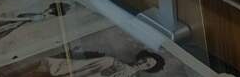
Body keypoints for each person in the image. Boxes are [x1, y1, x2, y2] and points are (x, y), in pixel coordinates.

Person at [37, 49, 166, 77]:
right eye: (144, 59)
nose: (143, 63)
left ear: (148, 69)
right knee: (108, 60)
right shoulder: (112, 61)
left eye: (147, 65)